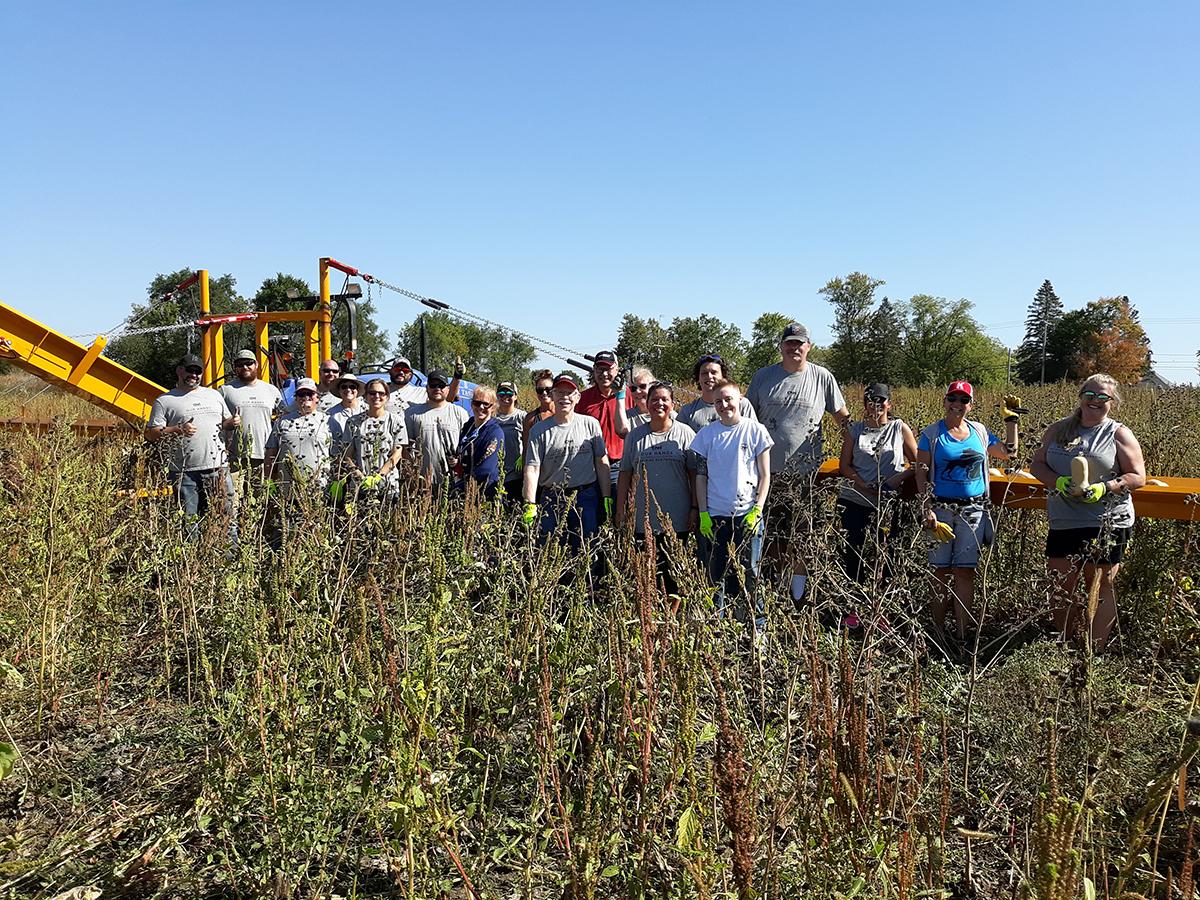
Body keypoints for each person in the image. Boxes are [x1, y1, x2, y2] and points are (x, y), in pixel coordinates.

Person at [1029, 374, 1145, 650]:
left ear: (1112, 403)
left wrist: (1106, 488)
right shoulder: (1058, 430)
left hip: (1107, 521)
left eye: (1103, 397)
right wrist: (1057, 481)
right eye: (1090, 395)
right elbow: (1037, 464)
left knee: (1101, 586)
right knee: (1060, 586)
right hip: (1064, 520)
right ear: (1080, 396)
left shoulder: (1118, 433)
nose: (1095, 401)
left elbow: (1137, 476)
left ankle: (1095, 652)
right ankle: (1067, 645)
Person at [746, 323, 849, 605]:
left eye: (799, 343)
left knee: (804, 536)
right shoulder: (762, 377)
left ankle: (799, 594)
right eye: (789, 343)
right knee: (774, 535)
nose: (794, 348)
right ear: (781, 346)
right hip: (769, 473)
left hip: (808, 476)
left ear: (808, 346)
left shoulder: (822, 377)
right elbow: (746, 422)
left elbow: (843, 419)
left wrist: (854, 456)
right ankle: (774, 589)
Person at [914, 380, 1021, 644]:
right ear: (945, 401)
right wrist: (926, 508)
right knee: (938, 571)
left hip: (973, 510)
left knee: (965, 572)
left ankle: (962, 635)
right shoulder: (931, 434)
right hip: (940, 509)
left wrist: (1012, 422)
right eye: (953, 399)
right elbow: (921, 470)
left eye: (964, 400)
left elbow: (1009, 453)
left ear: (970, 405)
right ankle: (937, 632)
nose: (957, 405)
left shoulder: (980, 432)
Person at [691, 380, 773, 636]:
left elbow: (765, 475)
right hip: (716, 514)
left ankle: (756, 627)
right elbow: (701, 476)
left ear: (739, 400)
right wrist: (703, 512)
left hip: (747, 513)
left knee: (750, 571)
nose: (724, 405)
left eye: (728, 399)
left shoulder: (755, 431)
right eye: (718, 401)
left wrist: (757, 508)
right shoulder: (707, 435)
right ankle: (718, 625)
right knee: (717, 573)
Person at [615, 382, 697, 593]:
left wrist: (695, 508)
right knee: (647, 572)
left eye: (664, 399)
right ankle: (651, 617)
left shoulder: (685, 433)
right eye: (654, 399)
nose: (659, 403)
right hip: (643, 520)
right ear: (647, 403)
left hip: (678, 519)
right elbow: (625, 473)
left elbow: (694, 474)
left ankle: (673, 618)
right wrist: (621, 509)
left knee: (676, 574)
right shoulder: (635, 436)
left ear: (672, 403)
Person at [836, 383, 918, 594]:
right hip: (856, 498)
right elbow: (844, 465)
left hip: (888, 502)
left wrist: (897, 479)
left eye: (881, 400)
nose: (876, 405)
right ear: (865, 405)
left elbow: (918, 463)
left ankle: (884, 599)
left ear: (889, 404)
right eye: (870, 400)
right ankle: (856, 600)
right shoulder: (855, 430)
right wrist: (863, 485)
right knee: (855, 551)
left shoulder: (899, 428)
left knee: (888, 554)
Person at [145, 353, 238, 536]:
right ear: (179, 371)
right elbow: (151, 433)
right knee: (188, 522)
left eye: (198, 371)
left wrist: (232, 423)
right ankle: (193, 560)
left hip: (217, 468)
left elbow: (225, 423)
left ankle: (229, 559)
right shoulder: (164, 401)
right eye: (190, 370)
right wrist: (178, 429)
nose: (194, 375)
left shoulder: (214, 395)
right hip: (183, 472)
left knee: (225, 518)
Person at [523, 371, 612, 552]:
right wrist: (529, 503)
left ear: (577, 397)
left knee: (587, 549)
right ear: (553, 396)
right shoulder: (539, 430)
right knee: (550, 550)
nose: (565, 397)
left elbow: (601, 462)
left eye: (569, 393)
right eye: (560, 392)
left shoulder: (590, 424)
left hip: (586, 496)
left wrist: (606, 496)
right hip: (552, 497)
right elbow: (532, 468)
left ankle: (589, 580)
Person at [264, 377, 332, 506]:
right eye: (301, 394)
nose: (305, 397)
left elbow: (337, 454)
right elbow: (271, 452)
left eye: (310, 394)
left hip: (318, 486)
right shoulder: (282, 421)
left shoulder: (328, 421)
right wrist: (269, 481)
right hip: (288, 488)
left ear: (317, 397)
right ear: (296, 397)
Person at [220, 349, 284, 485]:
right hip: (234, 458)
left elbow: (285, 417)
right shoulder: (225, 390)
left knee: (259, 501)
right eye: (240, 364)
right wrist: (227, 423)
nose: (245, 367)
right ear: (235, 367)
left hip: (263, 456)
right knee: (233, 503)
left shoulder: (271, 390)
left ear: (256, 364)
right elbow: (214, 420)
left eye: (249, 363)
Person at [342, 378, 408, 500]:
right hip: (360, 486)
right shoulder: (353, 422)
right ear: (365, 396)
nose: (376, 396)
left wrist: (379, 476)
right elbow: (347, 455)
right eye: (372, 393)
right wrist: (360, 476)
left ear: (387, 397)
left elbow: (397, 454)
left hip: (388, 486)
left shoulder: (396, 421)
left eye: (381, 393)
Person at [404, 370, 470, 489]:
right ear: (427, 388)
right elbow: (405, 448)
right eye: (433, 385)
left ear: (448, 389)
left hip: (455, 481)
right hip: (424, 482)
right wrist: (413, 474)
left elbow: (467, 446)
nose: (437, 389)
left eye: (441, 385)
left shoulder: (460, 413)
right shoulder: (411, 414)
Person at [577, 350, 633, 483]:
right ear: (594, 370)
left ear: (617, 369)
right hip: (590, 464)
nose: (604, 374)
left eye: (608, 369)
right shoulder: (582, 398)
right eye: (600, 369)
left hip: (620, 464)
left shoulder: (630, 395)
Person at [677, 353, 758, 431]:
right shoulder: (687, 411)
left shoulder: (741, 404)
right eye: (704, 373)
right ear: (698, 378)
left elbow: (754, 435)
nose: (709, 376)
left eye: (714, 372)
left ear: (723, 376)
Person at [452, 386, 505, 499]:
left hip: (484, 494)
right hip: (464, 492)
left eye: (486, 404)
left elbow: (486, 470)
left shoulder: (495, 432)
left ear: (493, 407)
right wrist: (457, 462)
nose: (481, 407)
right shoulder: (468, 426)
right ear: (472, 404)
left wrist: (457, 488)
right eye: (477, 403)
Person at [614, 366, 670, 437]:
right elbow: (622, 431)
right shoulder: (628, 416)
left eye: (642, 386)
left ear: (652, 386)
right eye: (633, 388)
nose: (637, 391)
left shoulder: (668, 413)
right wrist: (620, 395)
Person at [494, 380, 527, 500]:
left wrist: (524, 455)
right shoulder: (492, 417)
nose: (505, 397)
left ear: (516, 396)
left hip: (516, 475)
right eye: (501, 393)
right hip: (495, 475)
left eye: (509, 393)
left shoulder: (522, 417)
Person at [327, 373, 365, 451]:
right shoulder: (330, 414)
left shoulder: (367, 409)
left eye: (352, 387)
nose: (348, 390)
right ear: (339, 390)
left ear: (357, 390)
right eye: (344, 387)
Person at [521, 369, 556, 455]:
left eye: (548, 389)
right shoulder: (530, 419)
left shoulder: (564, 413)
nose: (544, 393)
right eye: (540, 390)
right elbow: (526, 450)